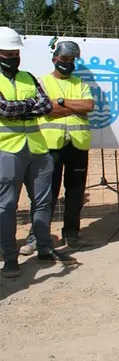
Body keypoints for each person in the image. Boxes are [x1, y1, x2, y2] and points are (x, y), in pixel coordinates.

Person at [0, 27, 76, 278]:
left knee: (42, 202)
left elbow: (45, 105)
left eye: (15, 52)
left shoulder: (29, 78)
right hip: (7, 150)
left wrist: (22, 108)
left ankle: (44, 248)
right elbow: (4, 109)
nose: (13, 57)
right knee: (7, 206)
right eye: (7, 53)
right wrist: (27, 107)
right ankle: (10, 257)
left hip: (37, 148)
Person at [20, 40, 93, 255]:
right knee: (45, 195)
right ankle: (37, 237)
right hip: (50, 146)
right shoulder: (41, 83)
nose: (67, 63)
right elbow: (47, 109)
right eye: (64, 59)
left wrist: (61, 102)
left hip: (78, 145)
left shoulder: (81, 83)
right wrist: (71, 107)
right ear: (55, 59)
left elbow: (88, 106)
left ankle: (72, 234)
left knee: (75, 193)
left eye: (71, 60)